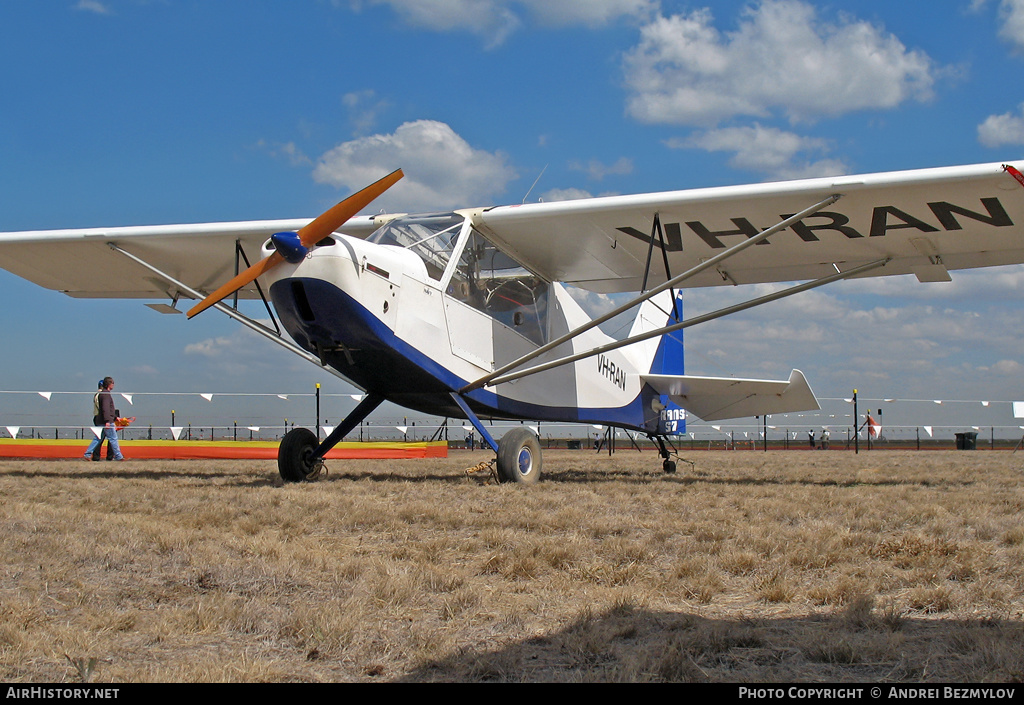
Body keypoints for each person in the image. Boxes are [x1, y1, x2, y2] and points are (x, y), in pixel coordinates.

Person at [83, 377, 125, 461]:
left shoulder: (101, 394)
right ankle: (118, 456)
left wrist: (116, 417)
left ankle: (87, 454)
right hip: (106, 421)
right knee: (113, 438)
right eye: (113, 383)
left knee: (98, 438)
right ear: (109, 384)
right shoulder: (106, 395)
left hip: (101, 420)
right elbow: (105, 408)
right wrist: (108, 421)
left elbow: (107, 409)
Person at [90, 380, 114, 461]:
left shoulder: (97, 395)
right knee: (110, 438)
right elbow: (104, 407)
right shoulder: (103, 394)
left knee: (100, 437)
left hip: (98, 417)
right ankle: (112, 456)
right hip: (102, 417)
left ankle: (95, 456)